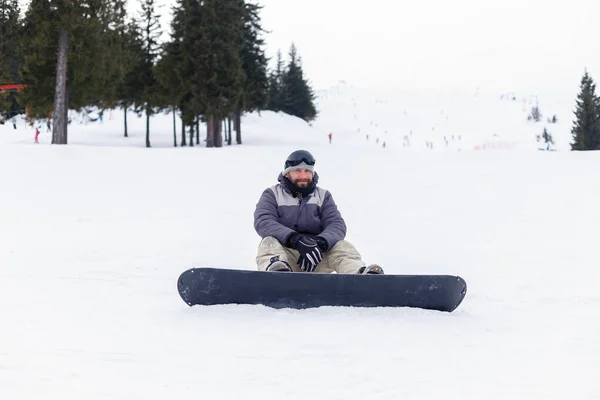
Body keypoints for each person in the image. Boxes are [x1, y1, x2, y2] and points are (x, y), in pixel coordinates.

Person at [253, 149, 384, 274]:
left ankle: (360, 275)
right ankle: (275, 273)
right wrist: (295, 240)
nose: (303, 176)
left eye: (307, 171)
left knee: (342, 246)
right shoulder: (272, 194)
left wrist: (320, 243)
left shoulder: (323, 196)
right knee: (268, 242)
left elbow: (336, 224)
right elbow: (264, 221)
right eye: (298, 171)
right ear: (287, 173)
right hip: (286, 254)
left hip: (316, 256)